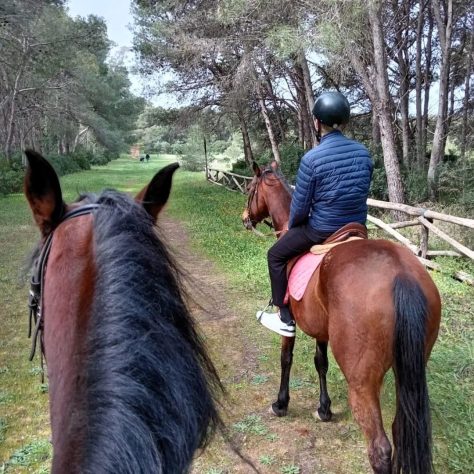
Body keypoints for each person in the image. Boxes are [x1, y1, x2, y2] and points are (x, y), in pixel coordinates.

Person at [257, 91, 373, 337]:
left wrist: (294, 225)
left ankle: (284, 318)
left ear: (317, 122)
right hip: (357, 228)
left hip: (322, 229)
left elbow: (299, 208)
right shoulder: (364, 153)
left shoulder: (312, 159)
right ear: (345, 120)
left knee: (275, 255)